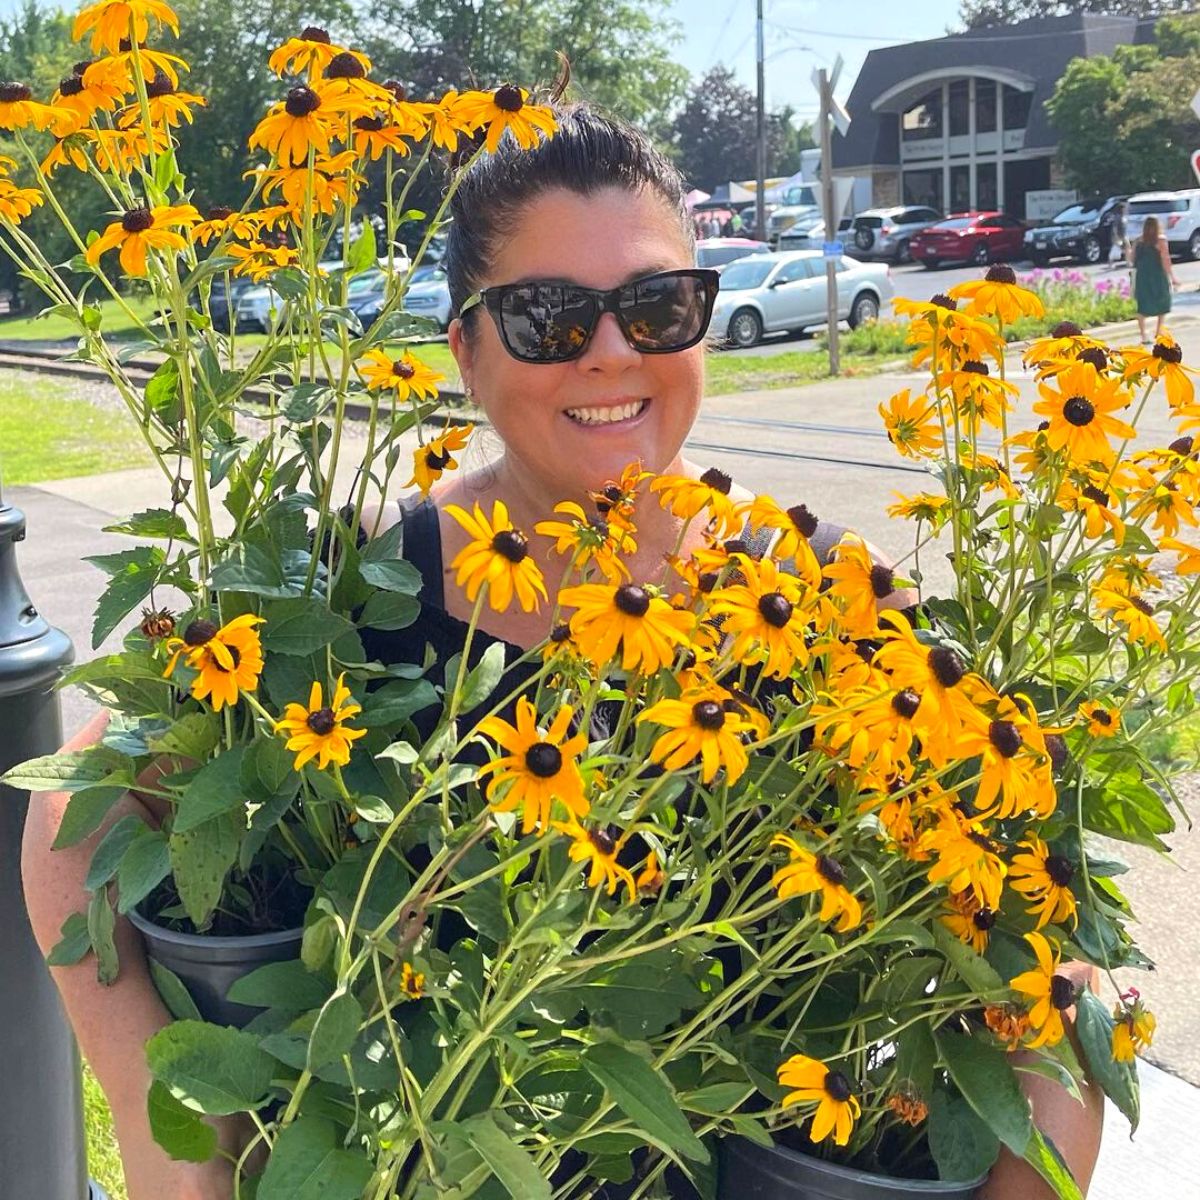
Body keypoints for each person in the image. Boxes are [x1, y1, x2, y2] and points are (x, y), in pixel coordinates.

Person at [21, 101, 1103, 1200]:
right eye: (549, 318)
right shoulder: (358, 580)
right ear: (464, 351)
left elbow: (1051, 947)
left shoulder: (831, 597)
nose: (613, 352)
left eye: (658, 304)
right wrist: (171, 1140)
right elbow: (74, 818)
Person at [1129, 214, 1176, 344]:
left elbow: (1132, 259)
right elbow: (1165, 259)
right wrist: (1172, 277)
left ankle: (1143, 334)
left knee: (1142, 304)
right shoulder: (1160, 240)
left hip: (1142, 276)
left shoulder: (1138, 241)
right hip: (1157, 274)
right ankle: (1158, 331)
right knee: (1163, 300)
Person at [1107, 200, 1128, 268]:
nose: (1125, 210)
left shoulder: (1123, 217)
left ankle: (1128, 262)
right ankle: (1110, 263)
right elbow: (1115, 228)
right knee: (1115, 249)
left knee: (1126, 248)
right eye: (1124, 208)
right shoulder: (1117, 217)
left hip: (1123, 235)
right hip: (1118, 236)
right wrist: (1116, 236)